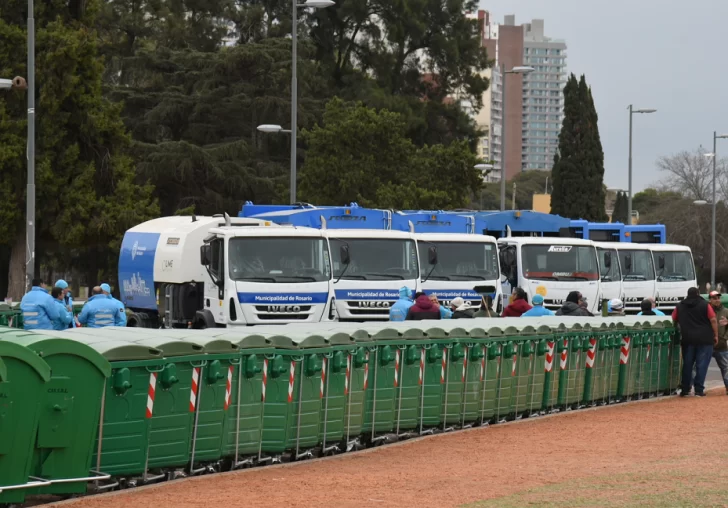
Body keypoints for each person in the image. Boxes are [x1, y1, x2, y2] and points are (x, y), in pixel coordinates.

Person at [672, 287, 718, 397]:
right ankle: (699, 389)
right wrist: (715, 335)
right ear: (698, 293)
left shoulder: (680, 305)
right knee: (701, 365)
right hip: (705, 339)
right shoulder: (705, 304)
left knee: (687, 364)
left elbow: (674, 318)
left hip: (687, 339)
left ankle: (685, 388)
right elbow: (713, 319)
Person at [708, 290, 728, 395]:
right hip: (707, 344)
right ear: (710, 300)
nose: (717, 300)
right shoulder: (706, 311)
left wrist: (724, 338)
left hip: (722, 345)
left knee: (726, 367)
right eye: (714, 298)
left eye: (718, 298)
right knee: (699, 367)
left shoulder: (726, 311)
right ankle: (697, 389)